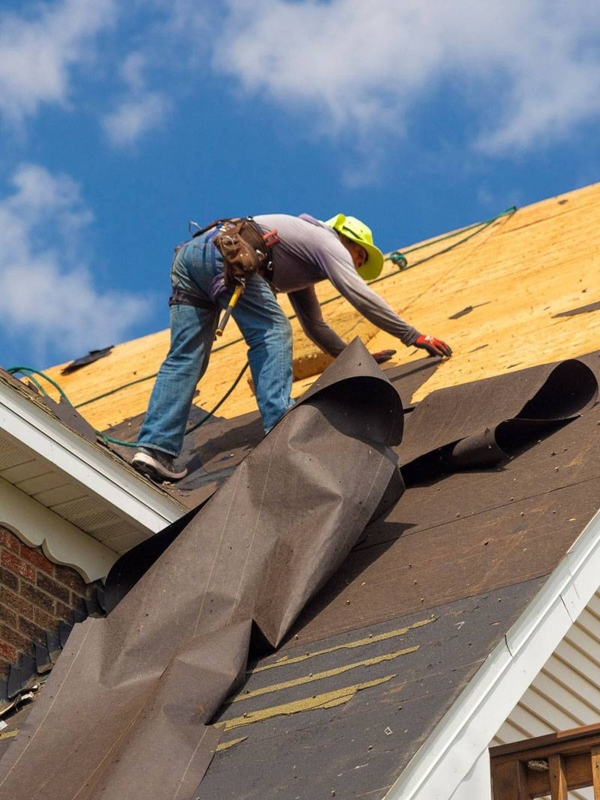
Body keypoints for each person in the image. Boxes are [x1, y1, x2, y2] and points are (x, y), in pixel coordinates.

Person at [132, 213, 452, 482]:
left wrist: (349, 356)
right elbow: (361, 296)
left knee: (185, 359)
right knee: (273, 330)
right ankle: (279, 423)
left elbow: (315, 325)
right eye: (358, 257)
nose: (354, 265)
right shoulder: (327, 242)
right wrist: (414, 336)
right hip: (227, 254)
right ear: (348, 241)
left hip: (193, 255)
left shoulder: (301, 254)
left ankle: (154, 450)